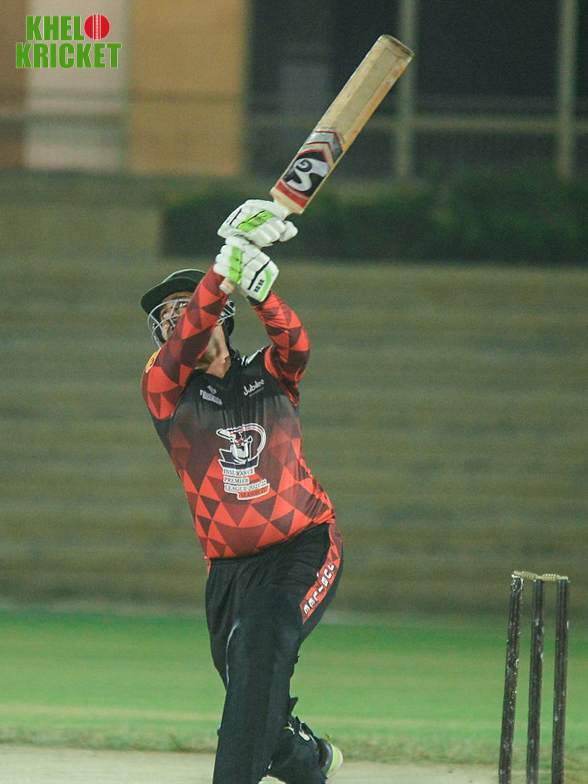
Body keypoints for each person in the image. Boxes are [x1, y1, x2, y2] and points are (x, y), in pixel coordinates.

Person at [140, 200, 344, 784]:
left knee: (260, 646)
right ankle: (311, 760)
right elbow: (185, 344)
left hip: (303, 544)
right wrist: (222, 267)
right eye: (167, 317)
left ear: (222, 316)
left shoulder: (269, 374)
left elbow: (297, 347)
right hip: (228, 574)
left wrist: (262, 292)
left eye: (185, 308)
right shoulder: (164, 389)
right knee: (254, 707)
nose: (178, 321)